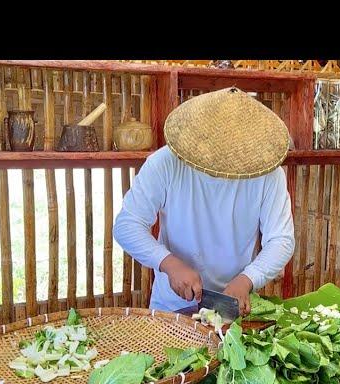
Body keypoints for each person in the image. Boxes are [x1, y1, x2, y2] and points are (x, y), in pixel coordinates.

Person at [113, 87, 295, 316]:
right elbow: (127, 225)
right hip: (172, 307)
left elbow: (281, 239)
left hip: (233, 308)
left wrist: (247, 279)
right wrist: (168, 263)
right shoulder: (165, 163)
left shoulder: (268, 173)